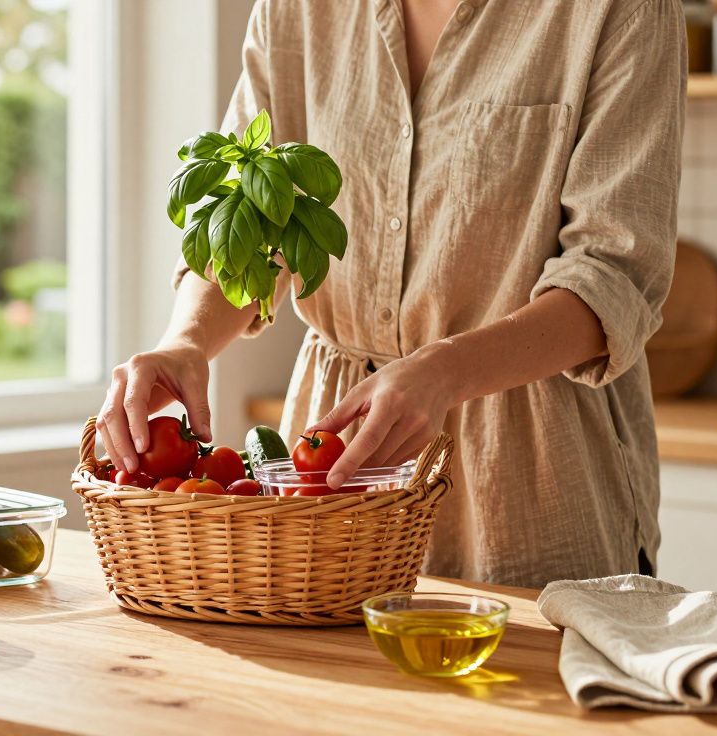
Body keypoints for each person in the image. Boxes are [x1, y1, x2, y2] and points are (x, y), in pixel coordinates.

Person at [97, 0, 685, 588]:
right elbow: (250, 220)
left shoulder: (620, 9)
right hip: (334, 458)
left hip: (532, 465)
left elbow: (613, 274)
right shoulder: (295, 10)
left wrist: (444, 371)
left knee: (520, 674)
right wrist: (186, 341)